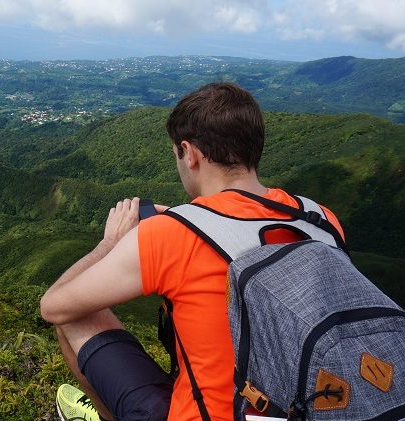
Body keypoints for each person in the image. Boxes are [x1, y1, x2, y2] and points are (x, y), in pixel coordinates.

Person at [39, 82, 345, 421]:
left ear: (190, 153)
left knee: (74, 316)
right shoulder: (320, 219)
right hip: (307, 405)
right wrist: (192, 221)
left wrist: (112, 243)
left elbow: (54, 306)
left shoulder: (173, 235)